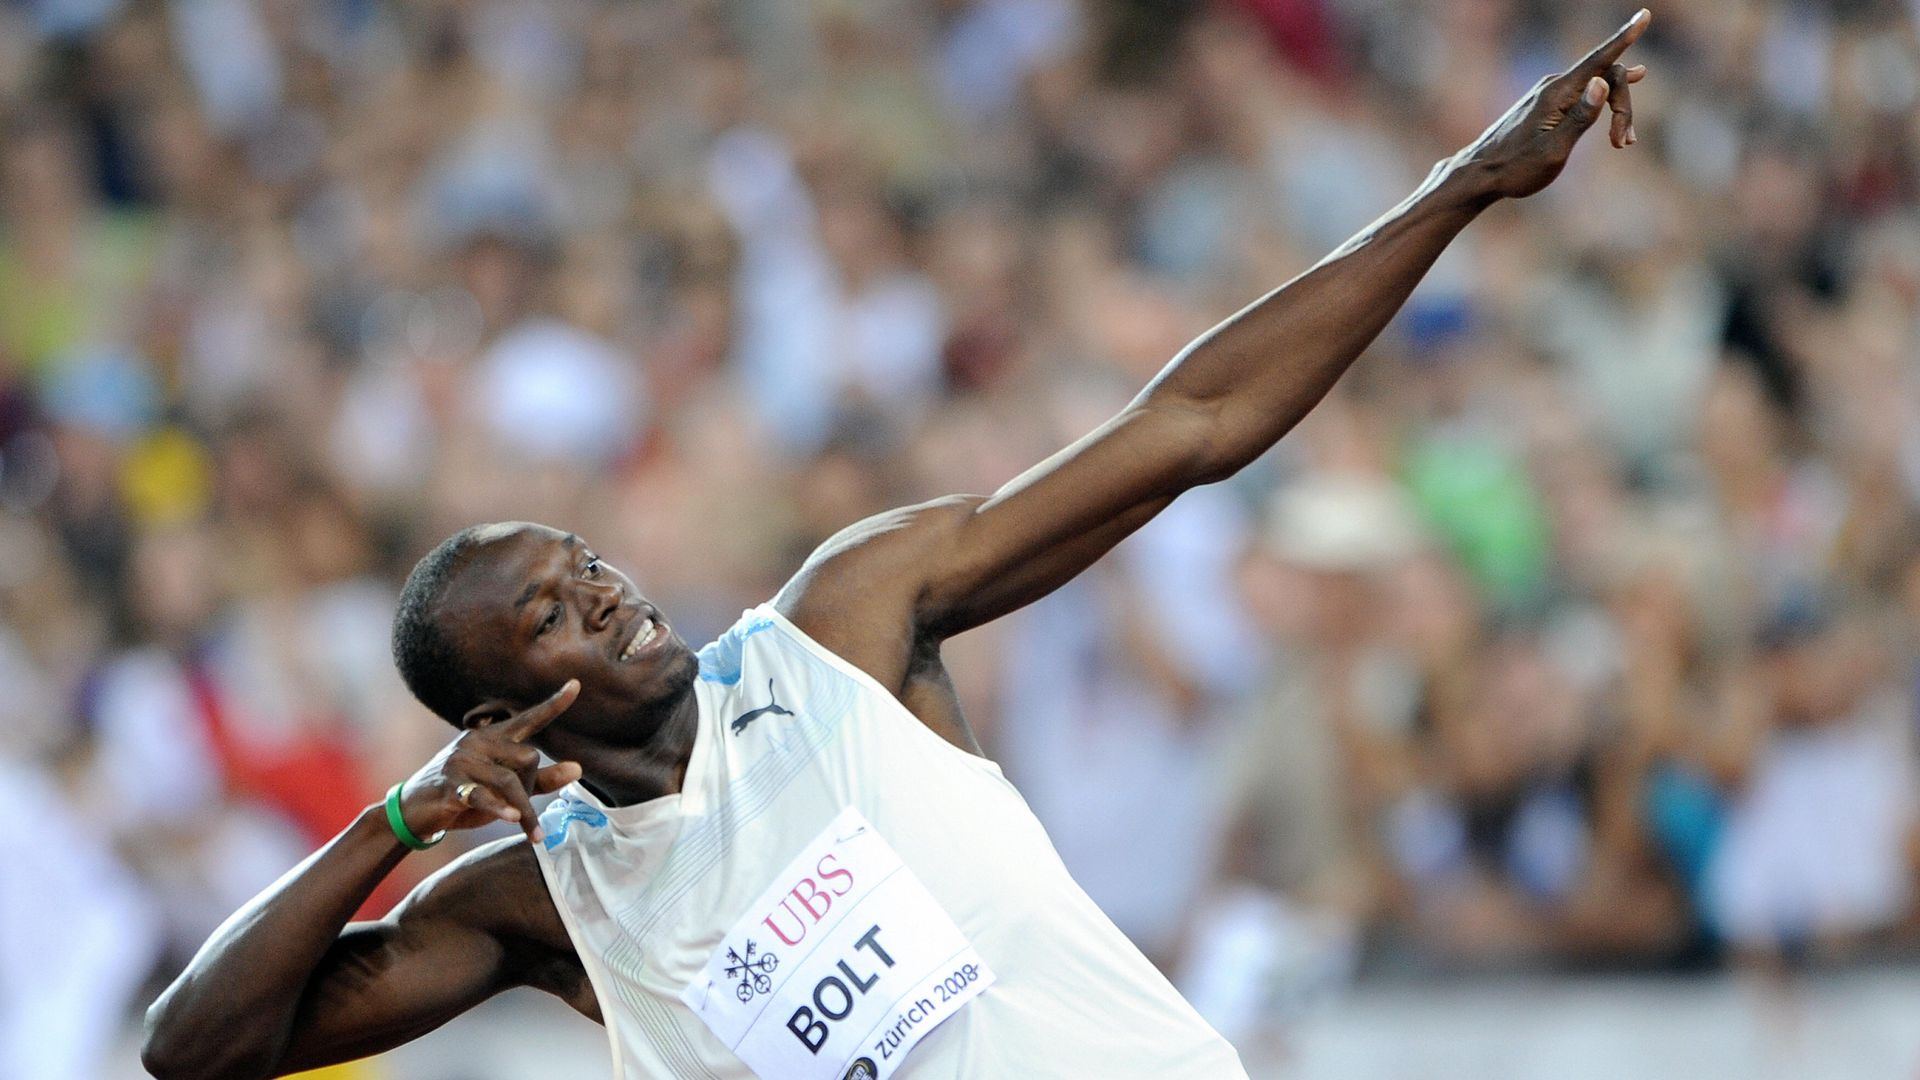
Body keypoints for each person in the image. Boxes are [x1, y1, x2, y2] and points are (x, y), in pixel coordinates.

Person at [143, 14, 1652, 1078]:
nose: (602, 591)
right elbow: (193, 1050)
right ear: (492, 712)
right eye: (548, 611)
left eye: (584, 560)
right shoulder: (541, 902)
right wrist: (393, 829)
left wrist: (1459, 185)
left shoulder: (838, 628)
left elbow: (1189, 424)